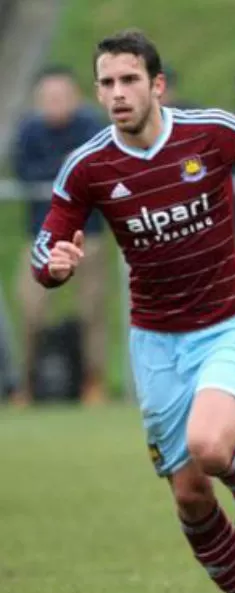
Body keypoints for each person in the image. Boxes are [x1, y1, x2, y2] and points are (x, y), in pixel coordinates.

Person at [29, 30, 235, 593]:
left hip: (228, 323)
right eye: (107, 84)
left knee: (212, 445)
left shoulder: (209, 132)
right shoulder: (87, 166)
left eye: (129, 81)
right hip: (156, 341)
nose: (118, 94)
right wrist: (52, 266)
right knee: (191, 498)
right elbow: (47, 242)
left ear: (157, 85)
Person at [11, 65, 108, 405]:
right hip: (41, 235)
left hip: (88, 234)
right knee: (31, 307)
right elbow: (26, 172)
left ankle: (94, 380)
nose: (55, 103)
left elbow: (95, 171)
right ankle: (26, 383)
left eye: (61, 96)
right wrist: (65, 166)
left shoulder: (91, 126)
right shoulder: (28, 131)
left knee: (92, 309)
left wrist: (65, 170)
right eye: (48, 98)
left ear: (76, 97)